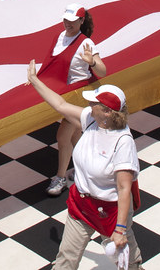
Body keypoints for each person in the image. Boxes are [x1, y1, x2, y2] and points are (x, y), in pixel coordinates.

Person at [25, 69, 142, 269]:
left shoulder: (123, 142)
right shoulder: (91, 118)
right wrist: (34, 80)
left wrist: (121, 229)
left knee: (128, 264)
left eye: (94, 103)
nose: (89, 105)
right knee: (65, 260)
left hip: (111, 211)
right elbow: (60, 105)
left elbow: (124, 189)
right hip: (81, 205)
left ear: (107, 112)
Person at [36, 4, 107, 197]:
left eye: (73, 21)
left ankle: (60, 177)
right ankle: (87, 169)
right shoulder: (60, 36)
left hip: (80, 94)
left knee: (62, 136)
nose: (68, 23)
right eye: (66, 19)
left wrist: (91, 61)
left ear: (81, 21)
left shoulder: (87, 44)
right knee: (76, 136)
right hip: (65, 93)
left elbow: (102, 70)